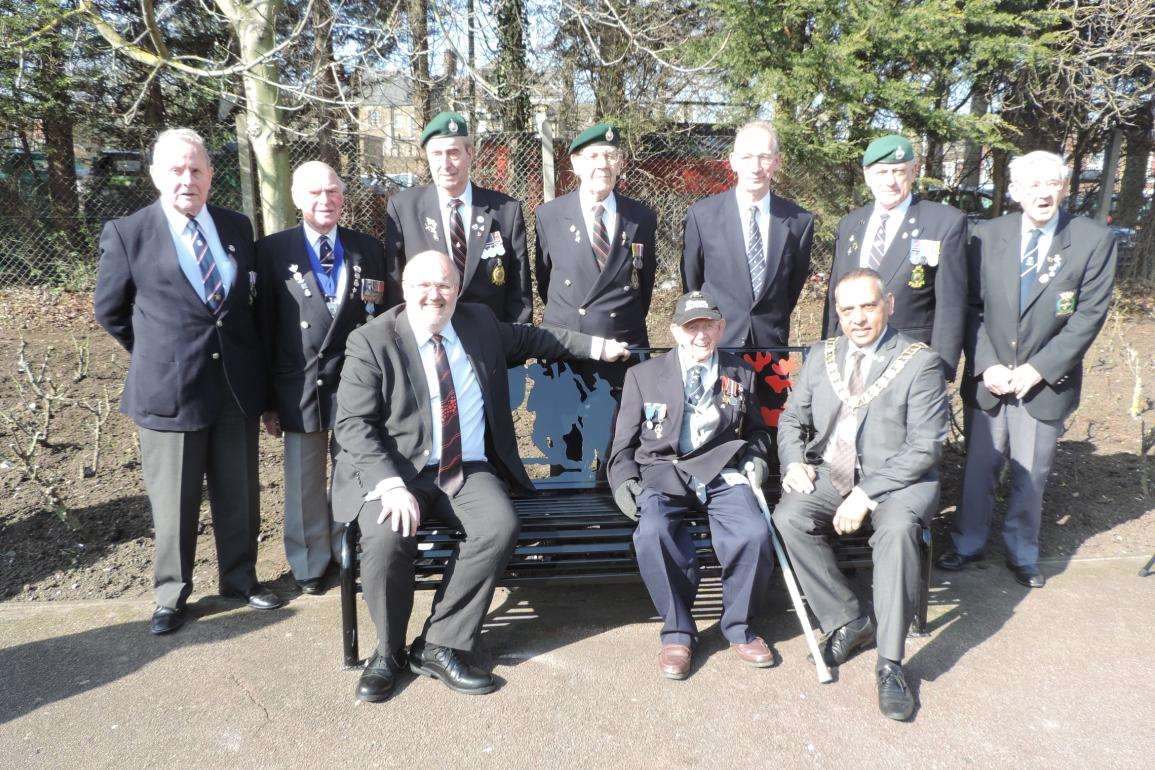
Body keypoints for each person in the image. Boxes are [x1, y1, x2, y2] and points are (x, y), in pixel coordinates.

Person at [331, 250, 630, 703]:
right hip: (398, 470)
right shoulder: (372, 341)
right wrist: (389, 485)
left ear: (458, 290)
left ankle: (440, 643)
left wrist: (597, 347)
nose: (435, 295)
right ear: (406, 290)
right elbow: (353, 424)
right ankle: (388, 652)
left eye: (445, 285)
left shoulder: (479, 325)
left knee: (498, 526)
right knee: (386, 536)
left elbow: (535, 338)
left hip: (466, 467)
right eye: (424, 286)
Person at [93, 128, 282, 635]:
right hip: (169, 391)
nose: (187, 179)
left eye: (197, 169)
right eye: (176, 169)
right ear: (156, 174)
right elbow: (109, 311)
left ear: (210, 175)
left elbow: (247, 306)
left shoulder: (237, 226)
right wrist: (157, 352)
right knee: (174, 500)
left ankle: (240, 580)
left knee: (238, 492)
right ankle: (171, 595)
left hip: (234, 386)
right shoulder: (128, 233)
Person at [772, 268, 947, 721]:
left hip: (898, 481)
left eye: (868, 306)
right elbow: (792, 419)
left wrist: (867, 494)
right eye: (847, 309)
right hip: (834, 472)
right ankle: (849, 619)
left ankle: (890, 663)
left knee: (896, 530)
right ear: (837, 313)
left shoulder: (919, 361)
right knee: (789, 517)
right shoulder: (822, 354)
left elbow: (925, 446)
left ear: (887, 303)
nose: (859, 318)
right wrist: (793, 462)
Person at [939, 151, 1117, 588]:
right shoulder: (985, 235)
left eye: (1051, 183)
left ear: (1063, 186)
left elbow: (1087, 318)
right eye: (1032, 185)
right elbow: (971, 308)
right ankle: (967, 542)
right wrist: (986, 365)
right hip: (992, 378)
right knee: (979, 466)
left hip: (1045, 383)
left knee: (1031, 472)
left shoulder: (1092, 239)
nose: (1042, 193)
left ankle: (1022, 551)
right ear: (1015, 191)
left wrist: (1037, 369)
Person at [608, 291, 775, 680]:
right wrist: (623, 482)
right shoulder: (643, 375)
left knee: (753, 534)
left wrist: (757, 457)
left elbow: (756, 433)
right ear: (675, 332)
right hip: (663, 472)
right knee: (651, 533)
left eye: (708, 325)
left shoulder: (740, 372)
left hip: (721, 471)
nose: (701, 335)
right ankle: (678, 633)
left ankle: (739, 627)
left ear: (721, 327)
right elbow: (623, 444)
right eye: (691, 326)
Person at [256, 161, 401, 594]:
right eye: (315, 193)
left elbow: (384, 318)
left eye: (334, 192)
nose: (326, 201)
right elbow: (263, 327)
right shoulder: (272, 251)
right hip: (298, 382)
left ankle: (348, 552)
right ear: (297, 198)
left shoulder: (366, 249)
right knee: (304, 478)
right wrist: (266, 399)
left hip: (356, 382)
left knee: (354, 469)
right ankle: (309, 563)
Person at [822, 134, 969, 378]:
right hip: (851, 357)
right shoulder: (850, 224)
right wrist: (828, 356)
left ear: (913, 172)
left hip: (910, 362)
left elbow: (950, 307)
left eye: (899, 172)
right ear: (867, 176)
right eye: (881, 173)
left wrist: (939, 370)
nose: (890, 181)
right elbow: (834, 298)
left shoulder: (943, 223)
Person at [385, 111, 532, 322]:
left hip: (488, 340)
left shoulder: (506, 211)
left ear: (469, 153)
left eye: (453, 153)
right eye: (436, 154)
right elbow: (395, 288)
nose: (445, 164)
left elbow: (519, 293)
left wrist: (514, 347)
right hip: (426, 341)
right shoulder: (404, 208)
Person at [681, 120, 815, 348]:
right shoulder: (702, 216)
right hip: (718, 345)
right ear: (733, 162)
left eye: (764, 157)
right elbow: (692, 283)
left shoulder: (799, 222)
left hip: (770, 348)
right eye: (747, 157)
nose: (756, 167)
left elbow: (791, 290)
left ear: (776, 162)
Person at [535, 122, 658, 349]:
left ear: (620, 164)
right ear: (575, 163)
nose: (603, 165)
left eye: (611, 156)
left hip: (623, 344)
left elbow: (644, 285)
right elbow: (545, 281)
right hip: (567, 348)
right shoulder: (549, 216)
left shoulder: (642, 218)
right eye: (593, 156)